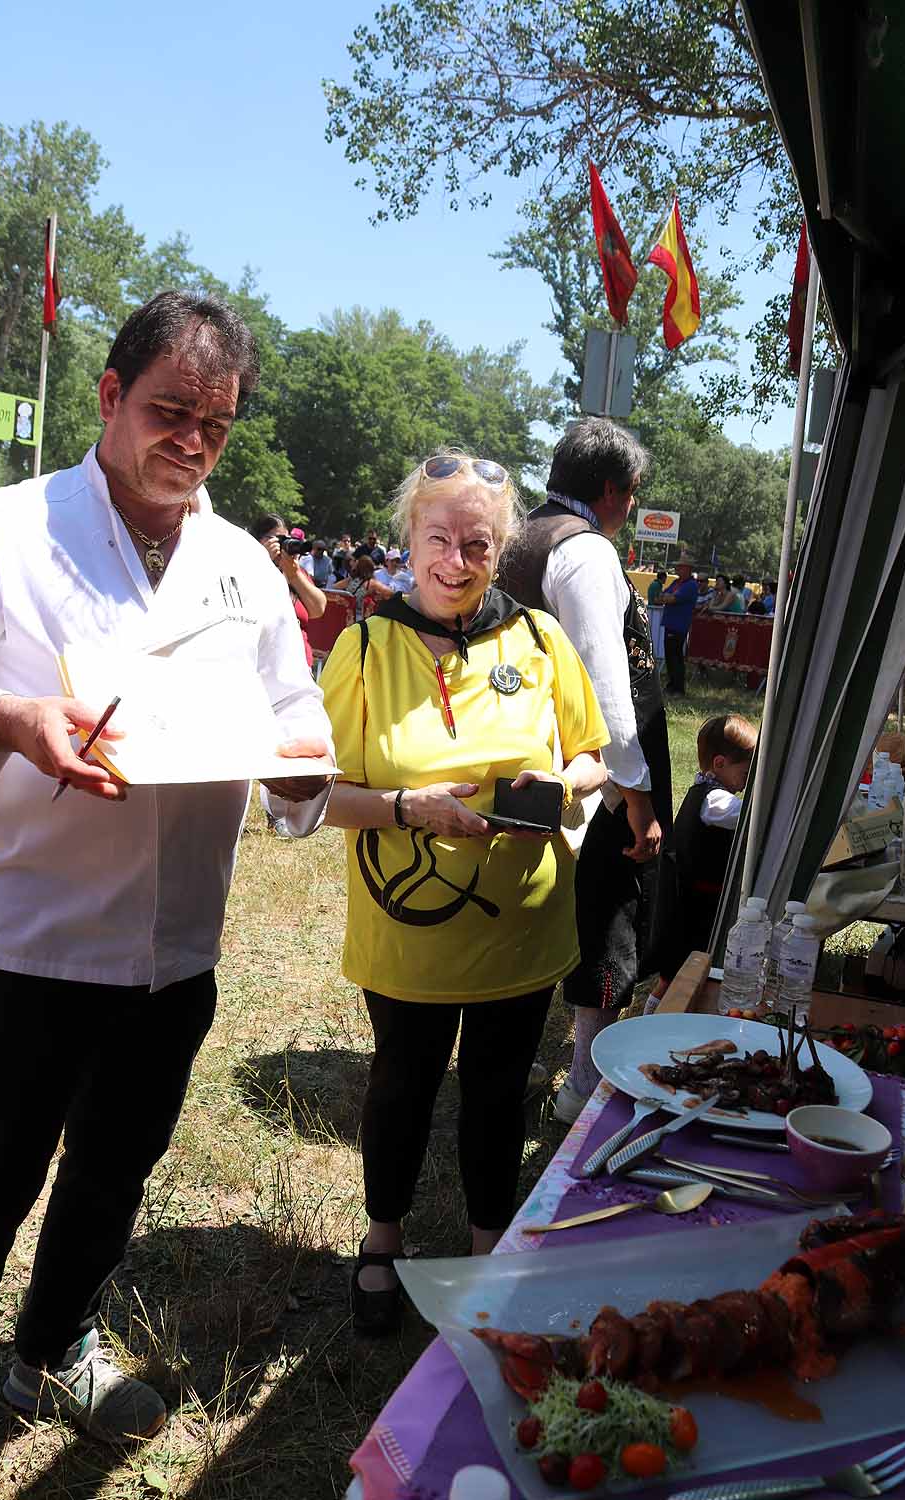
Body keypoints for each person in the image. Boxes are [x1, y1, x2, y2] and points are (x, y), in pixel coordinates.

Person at [0, 290, 335, 1448]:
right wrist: (12, 716)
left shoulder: (241, 565)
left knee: (116, 1167)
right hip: (27, 940)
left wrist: (306, 766)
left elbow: (293, 710)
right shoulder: (2, 530)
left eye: (216, 425)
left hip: (174, 952)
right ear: (111, 397)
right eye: (170, 411)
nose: (192, 442)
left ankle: (53, 1344)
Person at [319, 449, 608, 1334]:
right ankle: (382, 1243)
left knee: (498, 1088)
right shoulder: (363, 649)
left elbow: (591, 751)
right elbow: (311, 797)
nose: (455, 561)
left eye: (477, 545)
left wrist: (565, 786)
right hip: (407, 929)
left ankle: (490, 1252)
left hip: (521, 929)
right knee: (401, 1083)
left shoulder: (539, 640)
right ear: (407, 537)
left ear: (502, 548)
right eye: (438, 539)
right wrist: (408, 806)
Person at [499, 417, 673, 1122]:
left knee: (531, 918)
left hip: (521, 758)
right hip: (578, 774)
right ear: (611, 490)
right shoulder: (588, 553)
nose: (631, 505)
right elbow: (606, 686)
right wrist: (635, 797)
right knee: (602, 923)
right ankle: (581, 1086)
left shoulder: (523, 535)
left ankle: (514, 1056)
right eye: (632, 493)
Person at [646, 714, 757, 1005]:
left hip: (697, 903)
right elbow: (750, 817)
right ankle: (648, 1021)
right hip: (692, 909)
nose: (746, 783)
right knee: (676, 978)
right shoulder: (715, 802)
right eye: (745, 774)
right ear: (719, 764)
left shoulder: (709, 793)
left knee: (680, 977)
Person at [249, 513, 328, 671]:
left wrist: (294, 575)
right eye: (278, 540)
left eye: (286, 539)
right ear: (259, 541)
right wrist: (262, 561)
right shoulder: (247, 569)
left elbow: (318, 609)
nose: (284, 545)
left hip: (298, 667)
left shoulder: (295, 572)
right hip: (262, 667)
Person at [660, 559, 700, 694]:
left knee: (675, 656)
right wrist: (666, 597)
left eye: (680, 567)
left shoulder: (691, 585)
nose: (678, 570)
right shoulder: (676, 582)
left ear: (688, 569)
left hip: (679, 624)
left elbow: (672, 598)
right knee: (670, 656)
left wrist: (667, 597)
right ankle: (672, 685)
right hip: (670, 622)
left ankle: (678, 688)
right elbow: (660, 597)